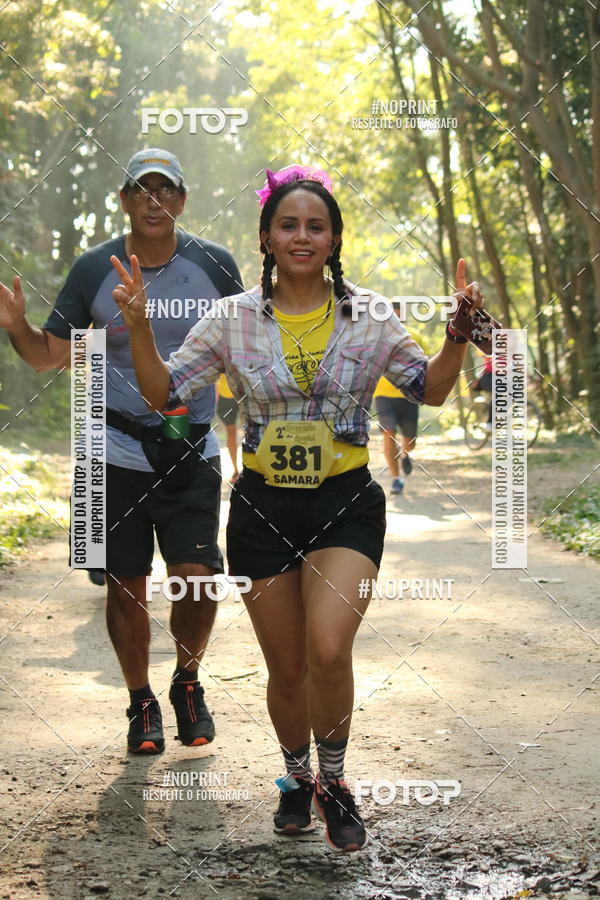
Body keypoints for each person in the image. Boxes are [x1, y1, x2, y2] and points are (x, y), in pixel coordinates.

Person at [111, 164, 484, 851]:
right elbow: (166, 393)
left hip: (345, 505)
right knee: (285, 669)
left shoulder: (369, 315)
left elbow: (427, 389)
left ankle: (335, 780)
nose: (302, 235)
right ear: (267, 236)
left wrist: (457, 335)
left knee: (328, 648)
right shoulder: (230, 320)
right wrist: (138, 325)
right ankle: (295, 780)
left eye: (316, 225)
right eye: (289, 224)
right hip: (261, 509)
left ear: (335, 238)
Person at [0, 148, 243, 754]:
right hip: (114, 450)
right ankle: (140, 700)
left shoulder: (214, 266)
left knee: (197, 579)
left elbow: (248, 348)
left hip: (191, 447)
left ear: (182, 200)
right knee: (126, 586)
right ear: (125, 200)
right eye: (141, 189)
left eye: (165, 189)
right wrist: (16, 327)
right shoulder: (93, 270)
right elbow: (51, 355)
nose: (153, 200)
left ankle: (187, 680)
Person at [373, 326, 430, 495]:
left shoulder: (415, 334)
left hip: (409, 393)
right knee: (388, 433)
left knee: (410, 442)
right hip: (383, 394)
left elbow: (425, 362)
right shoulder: (376, 335)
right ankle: (396, 479)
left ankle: (405, 454)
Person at [216, 373, 240, 483]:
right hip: (226, 398)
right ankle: (236, 470)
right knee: (231, 435)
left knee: (253, 430)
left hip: (244, 393)